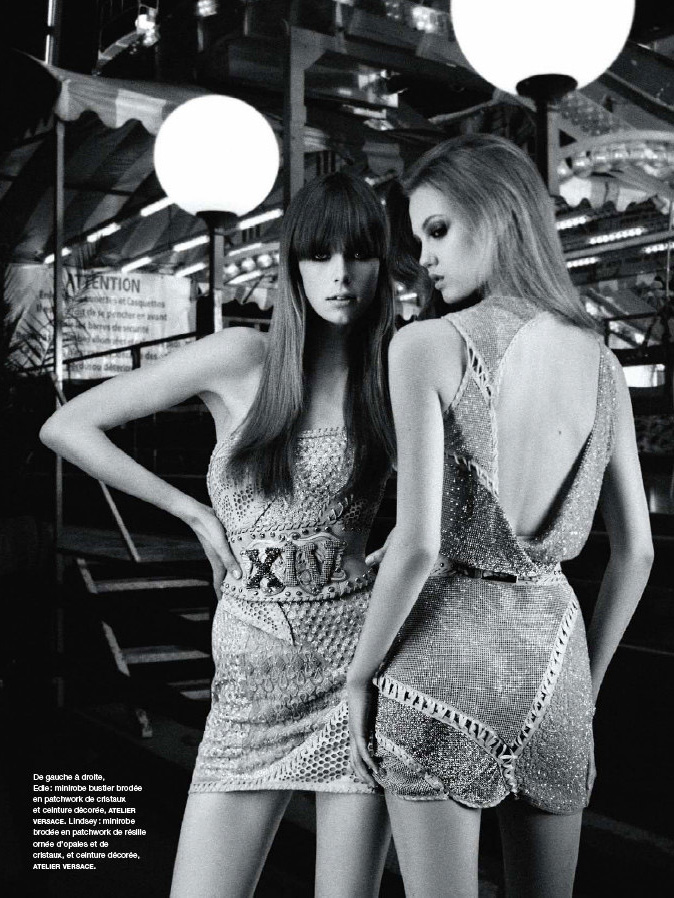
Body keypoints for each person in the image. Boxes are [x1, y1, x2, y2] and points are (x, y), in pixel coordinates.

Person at [40, 171, 396, 898]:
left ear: (382, 266)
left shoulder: (393, 372)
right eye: (319, 254)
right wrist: (193, 512)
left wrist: (402, 553)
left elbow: (461, 497)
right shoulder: (241, 356)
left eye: (359, 253)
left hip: (356, 672)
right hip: (247, 689)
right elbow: (68, 425)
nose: (340, 274)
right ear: (292, 264)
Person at [347, 134, 654, 898]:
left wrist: (358, 677)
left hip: (441, 666)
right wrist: (584, 685)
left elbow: (418, 546)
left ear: (499, 214)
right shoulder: (605, 365)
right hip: (557, 664)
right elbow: (637, 553)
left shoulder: (426, 345)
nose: (423, 257)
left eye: (437, 229)